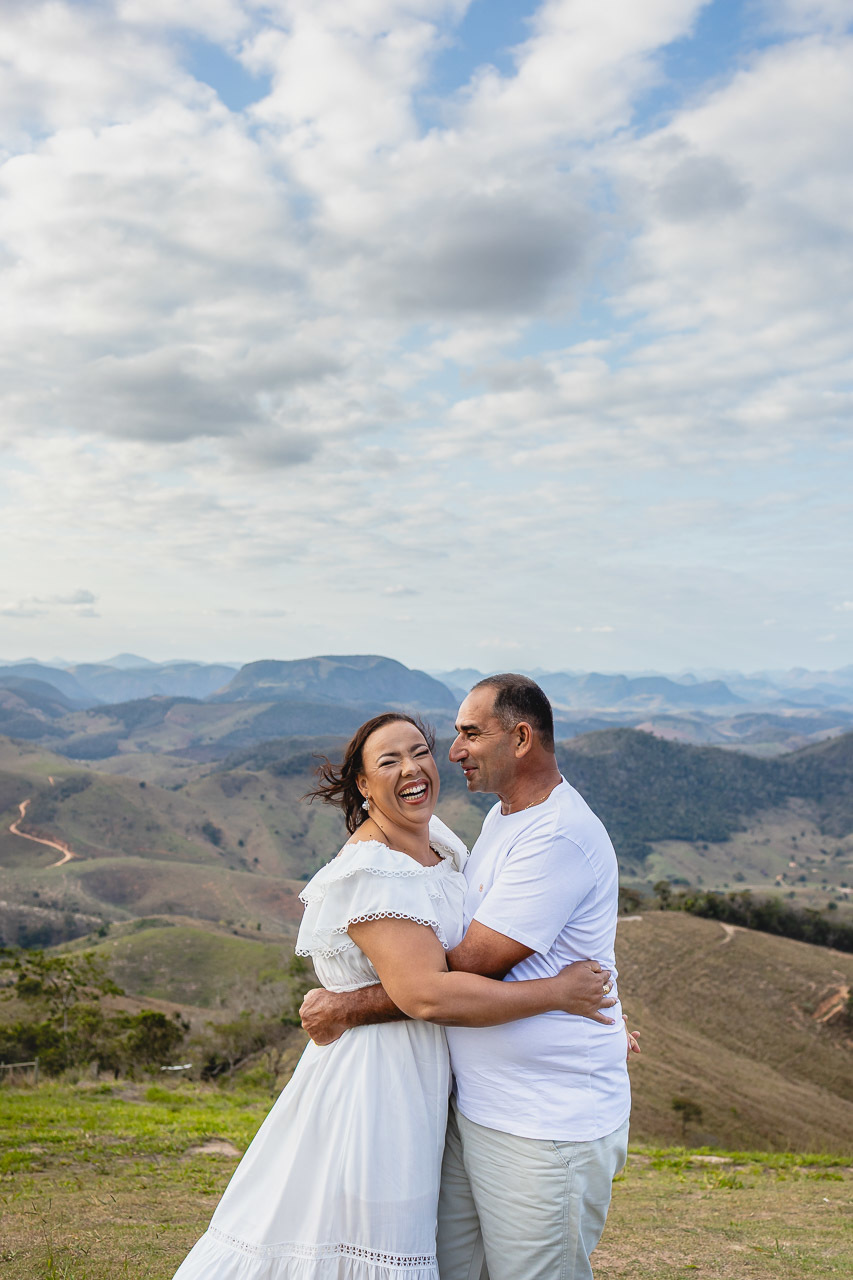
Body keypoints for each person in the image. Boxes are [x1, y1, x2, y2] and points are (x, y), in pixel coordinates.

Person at [172, 711, 616, 1280]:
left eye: (420, 752)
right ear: (362, 785)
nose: (413, 768)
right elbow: (427, 994)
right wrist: (557, 995)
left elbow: (504, 942)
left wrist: (593, 1023)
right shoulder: (370, 871)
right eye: (389, 761)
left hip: (436, 1081)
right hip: (379, 1083)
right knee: (362, 1239)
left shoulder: (443, 844)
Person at [301, 676, 632, 1280]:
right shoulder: (507, 820)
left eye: (469, 734)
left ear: (523, 737)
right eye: (451, 736)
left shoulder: (554, 834)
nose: (452, 752)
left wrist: (350, 1007)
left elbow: (452, 971)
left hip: (542, 1123)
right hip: (473, 1108)